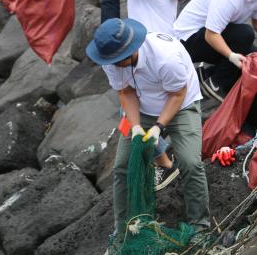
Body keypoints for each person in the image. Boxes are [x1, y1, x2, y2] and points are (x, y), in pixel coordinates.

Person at [86, 18, 211, 235]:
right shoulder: (110, 60)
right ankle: (123, 229)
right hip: (142, 106)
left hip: (181, 104)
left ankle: (200, 226)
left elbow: (177, 94)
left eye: (117, 60)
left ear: (130, 51)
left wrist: (158, 128)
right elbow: (125, 92)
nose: (112, 64)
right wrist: (135, 126)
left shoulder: (166, 58)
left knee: (190, 162)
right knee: (123, 166)